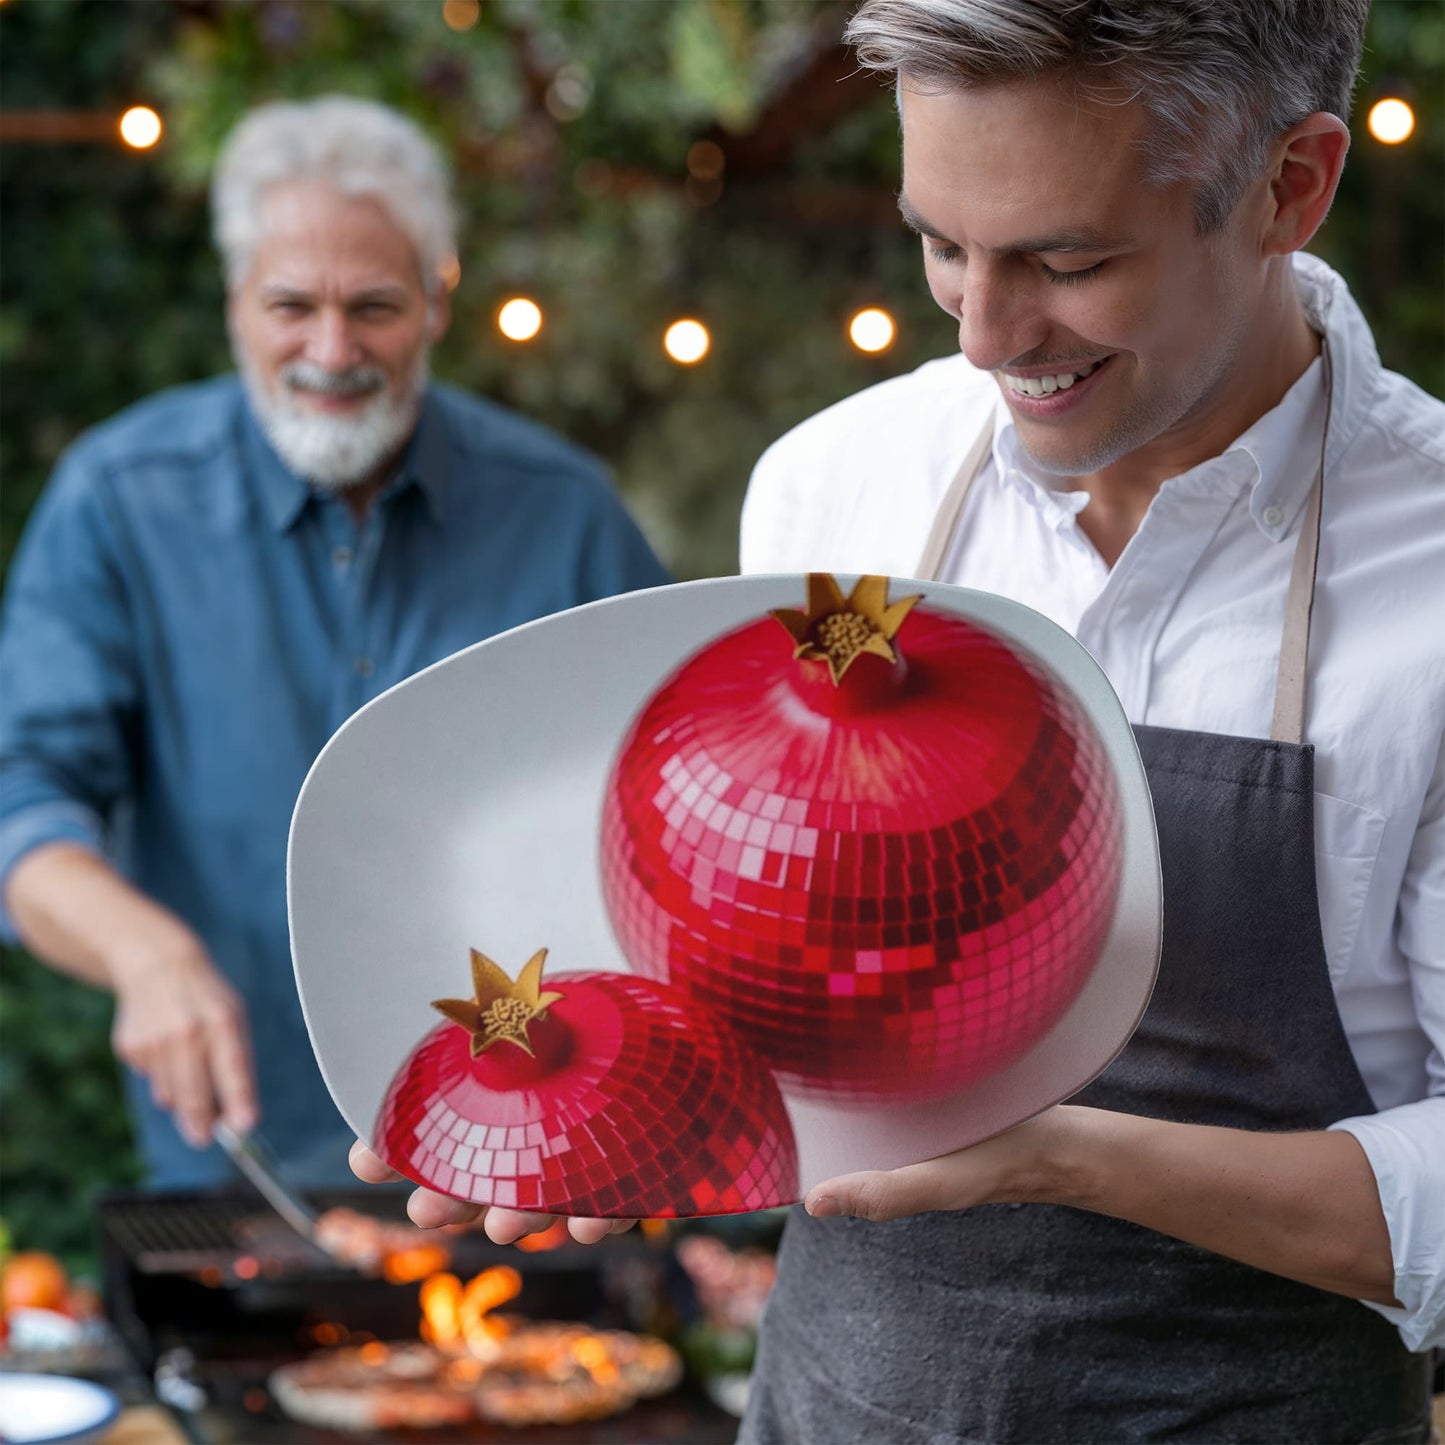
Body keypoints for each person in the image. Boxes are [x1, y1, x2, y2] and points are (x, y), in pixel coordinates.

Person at [354, 1, 1445, 1439]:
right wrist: (607, 1104)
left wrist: (1058, 1158)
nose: (988, 335)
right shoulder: (838, 486)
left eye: (1068, 260)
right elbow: (746, 987)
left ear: (1290, 188)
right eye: (941, 244)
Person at [0, 96, 669, 1192]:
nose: (331, 348)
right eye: (289, 305)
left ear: (439, 300)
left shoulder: (565, 513)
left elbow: (669, 806)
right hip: (232, 1166)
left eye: (373, 306)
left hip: (530, 1156)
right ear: (233, 303)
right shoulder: (118, 499)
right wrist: (142, 950)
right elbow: (22, 802)